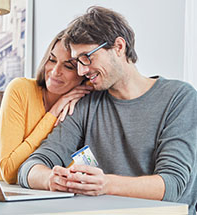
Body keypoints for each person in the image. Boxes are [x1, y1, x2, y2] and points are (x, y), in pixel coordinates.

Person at [18, 6, 197, 215]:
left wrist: (106, 184)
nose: (82, 71)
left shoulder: (179, 98)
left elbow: (172, 185)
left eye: (87, 57)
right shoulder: (86, 102)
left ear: (119, 47)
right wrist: (51, 179)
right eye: (77, 62)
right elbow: (29, 168)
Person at [0, 30, 93, 184]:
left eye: (68, 67)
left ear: (83, 73)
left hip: (57, 193)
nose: (55, 71)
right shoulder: (20, 89)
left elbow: (78, 169)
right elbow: (9, 172)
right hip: (12, 191)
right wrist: (53, 112)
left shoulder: (83, 105)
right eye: (52, 60)